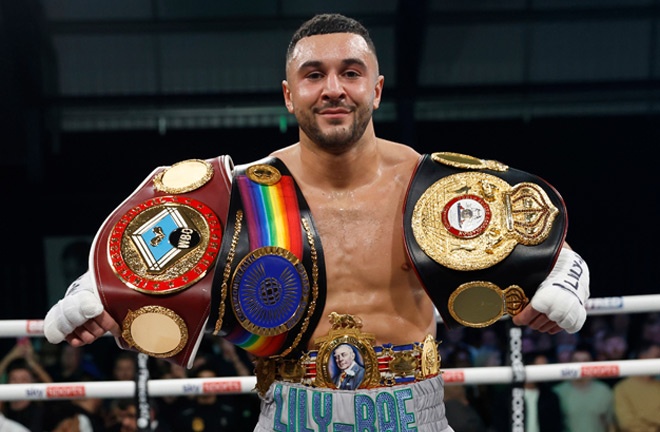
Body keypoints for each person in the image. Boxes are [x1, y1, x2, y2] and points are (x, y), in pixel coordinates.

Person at [43, 13, 591, 432]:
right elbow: (138, 259)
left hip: (412, 407)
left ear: (375, 89)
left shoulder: (434, 186)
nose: (333, 88)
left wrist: (565, 286)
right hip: (288, 408)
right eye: (314, 75)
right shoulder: (243, 194)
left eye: (351, 73)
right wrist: (104, 297)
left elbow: (551, 249)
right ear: (289, 94)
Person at [553, 344, 615, 432]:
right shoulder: (558, 392)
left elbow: (610, 425)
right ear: (570, 363)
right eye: (576, 361)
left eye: (585, 361)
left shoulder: (604, 391)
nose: (580, 365)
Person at [613, 341, 660, 431]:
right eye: (657, 357)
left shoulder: (658, 385)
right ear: (643, 358)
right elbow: (626, 423)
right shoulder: (622, 388)